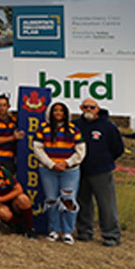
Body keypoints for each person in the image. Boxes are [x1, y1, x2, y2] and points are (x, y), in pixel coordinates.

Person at [32, 102, 86, 245]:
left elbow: (81, 150)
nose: (58, 113)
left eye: (61, 111)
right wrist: (51, 164)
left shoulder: (74, 129)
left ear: (66, 113)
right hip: (48, 170)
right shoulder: (42, 128)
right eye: (55, 110)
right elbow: (37, 148)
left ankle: (68, 232)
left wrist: (66, 163)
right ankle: (54, 230)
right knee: (51, 199)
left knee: (68, 200)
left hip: (70, 171)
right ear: (50, 112)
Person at [75, 98, 124, 246]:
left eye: (92, 107)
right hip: (81, 170)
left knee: (106, 204)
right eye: (86, 107)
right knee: (82, 203)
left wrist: (105, 160)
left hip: (101, 171)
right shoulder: (76, 125)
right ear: (81, 108)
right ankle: (84, 232)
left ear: (98, 109)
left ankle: (111, 235)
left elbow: (118, 148)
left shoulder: (108, 126)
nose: (89, 110)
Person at [0, 157, 36, 237]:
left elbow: (19, 189)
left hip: (11, 200)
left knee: (23, 199)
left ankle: (29, 228)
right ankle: (19, 227)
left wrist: (1, 199)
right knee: (0, 212)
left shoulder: (4, 173)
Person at [0, 94, 22, 170]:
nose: (2, 108)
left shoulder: (14, 121)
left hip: (10, 159)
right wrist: (13, 137)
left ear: (8, 106)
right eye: (0, 105)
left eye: (4, 105)